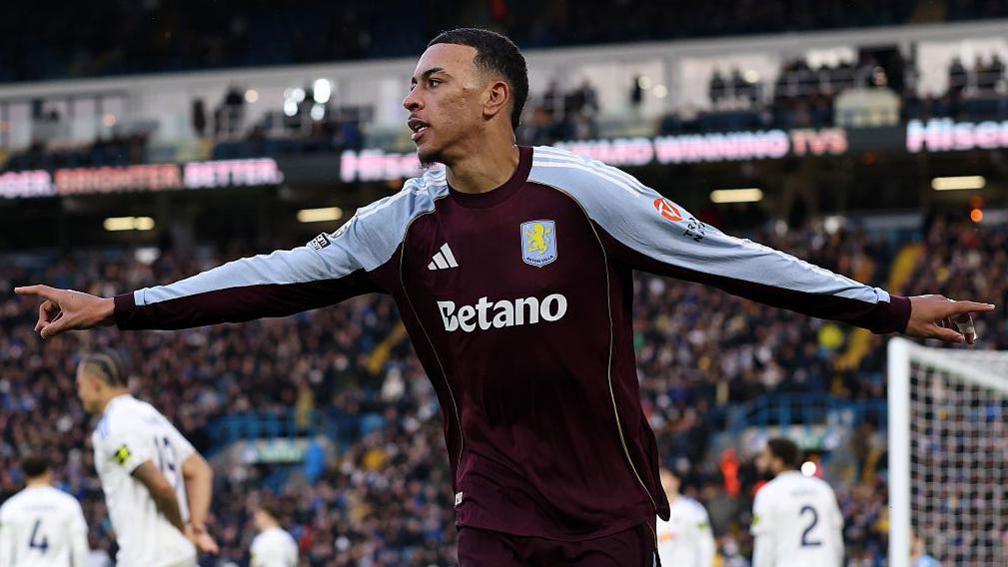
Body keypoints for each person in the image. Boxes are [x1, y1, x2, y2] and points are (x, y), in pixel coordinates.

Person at [15, 28, 994, 566]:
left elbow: (734, 258)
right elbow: (271, 277)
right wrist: (124, 306)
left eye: (431, 83)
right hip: (492, 511)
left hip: (608, 511)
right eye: (408, 85)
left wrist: (887, 307)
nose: (410, 101)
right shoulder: (402, 221)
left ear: (496, 98)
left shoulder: (587, 193)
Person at [74, 351, 218, 567]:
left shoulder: (111, 428)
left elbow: (160, 486)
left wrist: (184, 529)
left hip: (148, 558)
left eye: (79, 385)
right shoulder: (150, 415)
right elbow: (200, 470)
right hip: (183, 556)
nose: (79, 393)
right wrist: (196, 526)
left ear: (95, 384)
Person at [751, 439, 843, 567]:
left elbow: (765, 546)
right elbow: (836, 539)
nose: (760, 463)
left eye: (765, 457)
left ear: (778, 462)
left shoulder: (768, 493)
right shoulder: (823, 488)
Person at [0, 455, 90, 567]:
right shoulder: (68, 504)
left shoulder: (10, 507)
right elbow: (79, 548)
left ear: (25, 475)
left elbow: (4, 553)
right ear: (48, 473)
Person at [656, 468, 715, 567]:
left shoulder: (693, 509)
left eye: (664, 476)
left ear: (676, 481)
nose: (660, 480)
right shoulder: (650, 512)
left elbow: (705, 542)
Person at [249, 501, 298, 567]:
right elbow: (293, 562)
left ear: (266, 516)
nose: (255, 522)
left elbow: (255, 564)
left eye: (257, 518)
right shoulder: (288, 539)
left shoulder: (260, 540)